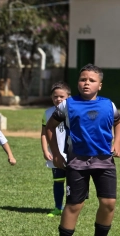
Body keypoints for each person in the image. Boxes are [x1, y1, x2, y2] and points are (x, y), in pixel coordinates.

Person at [46, 63, 120, 236]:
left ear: (99, 85)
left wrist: (117, 142)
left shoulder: (108, 105)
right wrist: (56, 153)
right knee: (74, 205)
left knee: (109, 203)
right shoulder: (67, 105)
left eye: (92, 80)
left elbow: (118, 121)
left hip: (104, 160)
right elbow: (50, 127)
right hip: (77, 161)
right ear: (78, 82)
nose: (86, 83)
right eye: (82, 79)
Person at [40, 81, 71, 217]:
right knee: (58, 181)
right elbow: (44, 133)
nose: (58, 99)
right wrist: (45, 150)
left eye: (61, 96)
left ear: (68, 97)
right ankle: (58, 207)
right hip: (55, 153)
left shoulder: (74, 111)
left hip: (72, 153)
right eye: (55, 97)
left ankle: (71, 208)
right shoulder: (47, 113)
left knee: (73, 183)